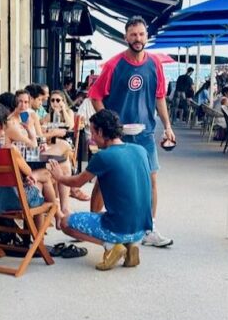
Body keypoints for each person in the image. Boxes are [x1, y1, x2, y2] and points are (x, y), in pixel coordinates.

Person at [88, 16, 175, 247]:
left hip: (145, 133)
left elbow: (159, 97)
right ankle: (96, 225)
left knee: (150, 179)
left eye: (141, 34)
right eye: (133, 34)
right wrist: (108, 125)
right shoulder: (114, 64)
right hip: (117, 134)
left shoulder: (154, 63)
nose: (138, 39)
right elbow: (95, 96)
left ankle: (149, 228)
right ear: (125, 37)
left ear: (147, 37)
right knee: (103, 180)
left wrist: (167, 126)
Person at [48, 109, 152, 270]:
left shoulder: (103, 157)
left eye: (93, 132)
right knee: (104, 189)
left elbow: (77, 182)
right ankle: (131, 247)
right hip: (141, 229)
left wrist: (59, 176)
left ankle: (111, 245)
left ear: (101, 131)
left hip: (119, 227)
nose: (92, 137)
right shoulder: (140, 150)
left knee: (65, 222)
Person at [0, 103, 68, 228]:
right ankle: (54, 220)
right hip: (15, 201)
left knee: (38, 181)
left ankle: (55, 218)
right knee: (43, 178)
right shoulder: (9, 149)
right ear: (0, 126)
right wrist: (27, 177)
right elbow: (28, 171)